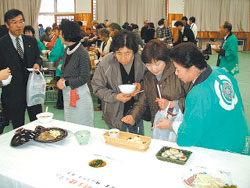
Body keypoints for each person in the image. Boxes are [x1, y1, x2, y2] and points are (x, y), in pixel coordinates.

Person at [164, 42, 249, 154]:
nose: (176, 73)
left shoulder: (198, 94)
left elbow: (188, 136)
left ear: (193, 68)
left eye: (178, 69)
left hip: (223, 150)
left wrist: (170, 125)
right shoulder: (221, 72)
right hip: (240, 139)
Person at [121, 40, 192, 141]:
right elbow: (143, 100)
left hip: (180, 124)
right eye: (148, 65)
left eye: (157, 64)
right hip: (159, 123)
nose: (153, 69)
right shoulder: (148, 76)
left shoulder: (179, 72)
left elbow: (195, 100)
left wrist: (173, 104)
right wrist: (133, 116)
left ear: (166, 59)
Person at [91, 30, 146, 134]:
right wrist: (115, 97)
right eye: (119, 53)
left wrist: (141, 86)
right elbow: (97, 87)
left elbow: (151, 82)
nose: (123, 58)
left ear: (134, 51)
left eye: (127, 53)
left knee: (137, 140)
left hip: (136, 109)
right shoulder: (106, 63)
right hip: (114, 110)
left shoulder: (142, 61)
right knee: (116, 142)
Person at [0, 9, 42, 130]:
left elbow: (38, 58)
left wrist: (37, 64)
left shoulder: (31, 41)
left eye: (21, 21)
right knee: (18, 127)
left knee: (38, 123)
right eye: (14, 22)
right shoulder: (2, 44)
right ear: (7, 25)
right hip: (13, 92)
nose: (19, 25)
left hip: (33, 89)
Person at [57, 20, 94, 126]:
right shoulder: (67, 50)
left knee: (81, 124)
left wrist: (66, 83)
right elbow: (64, 70)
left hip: (80, 95)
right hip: (68, 93)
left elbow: (85, 77)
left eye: (60, 33)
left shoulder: (82, 53)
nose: (59, 36)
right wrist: (61, 79)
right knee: (70, 123)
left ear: (67, 34)